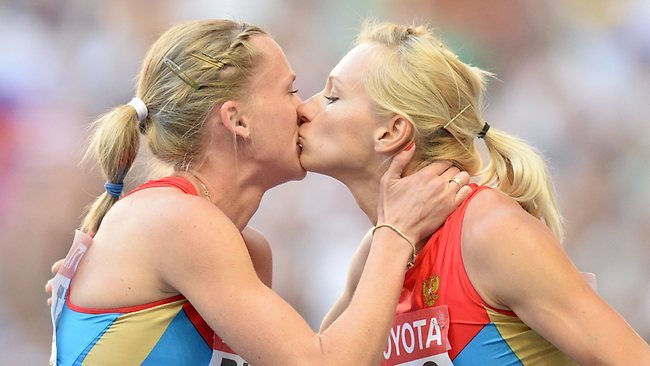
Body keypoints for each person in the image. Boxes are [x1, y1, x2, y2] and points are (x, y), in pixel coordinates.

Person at [46, 19, 473, 366]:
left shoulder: (242, 248)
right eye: (290, 90)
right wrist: (394, 233)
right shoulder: (178, 220)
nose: (304, 108)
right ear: (238, 120)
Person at [298, 21, 650, 365]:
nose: (304, 109)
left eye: (332, 96)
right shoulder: (376, 254)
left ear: (391, 132)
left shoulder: (489, 230)